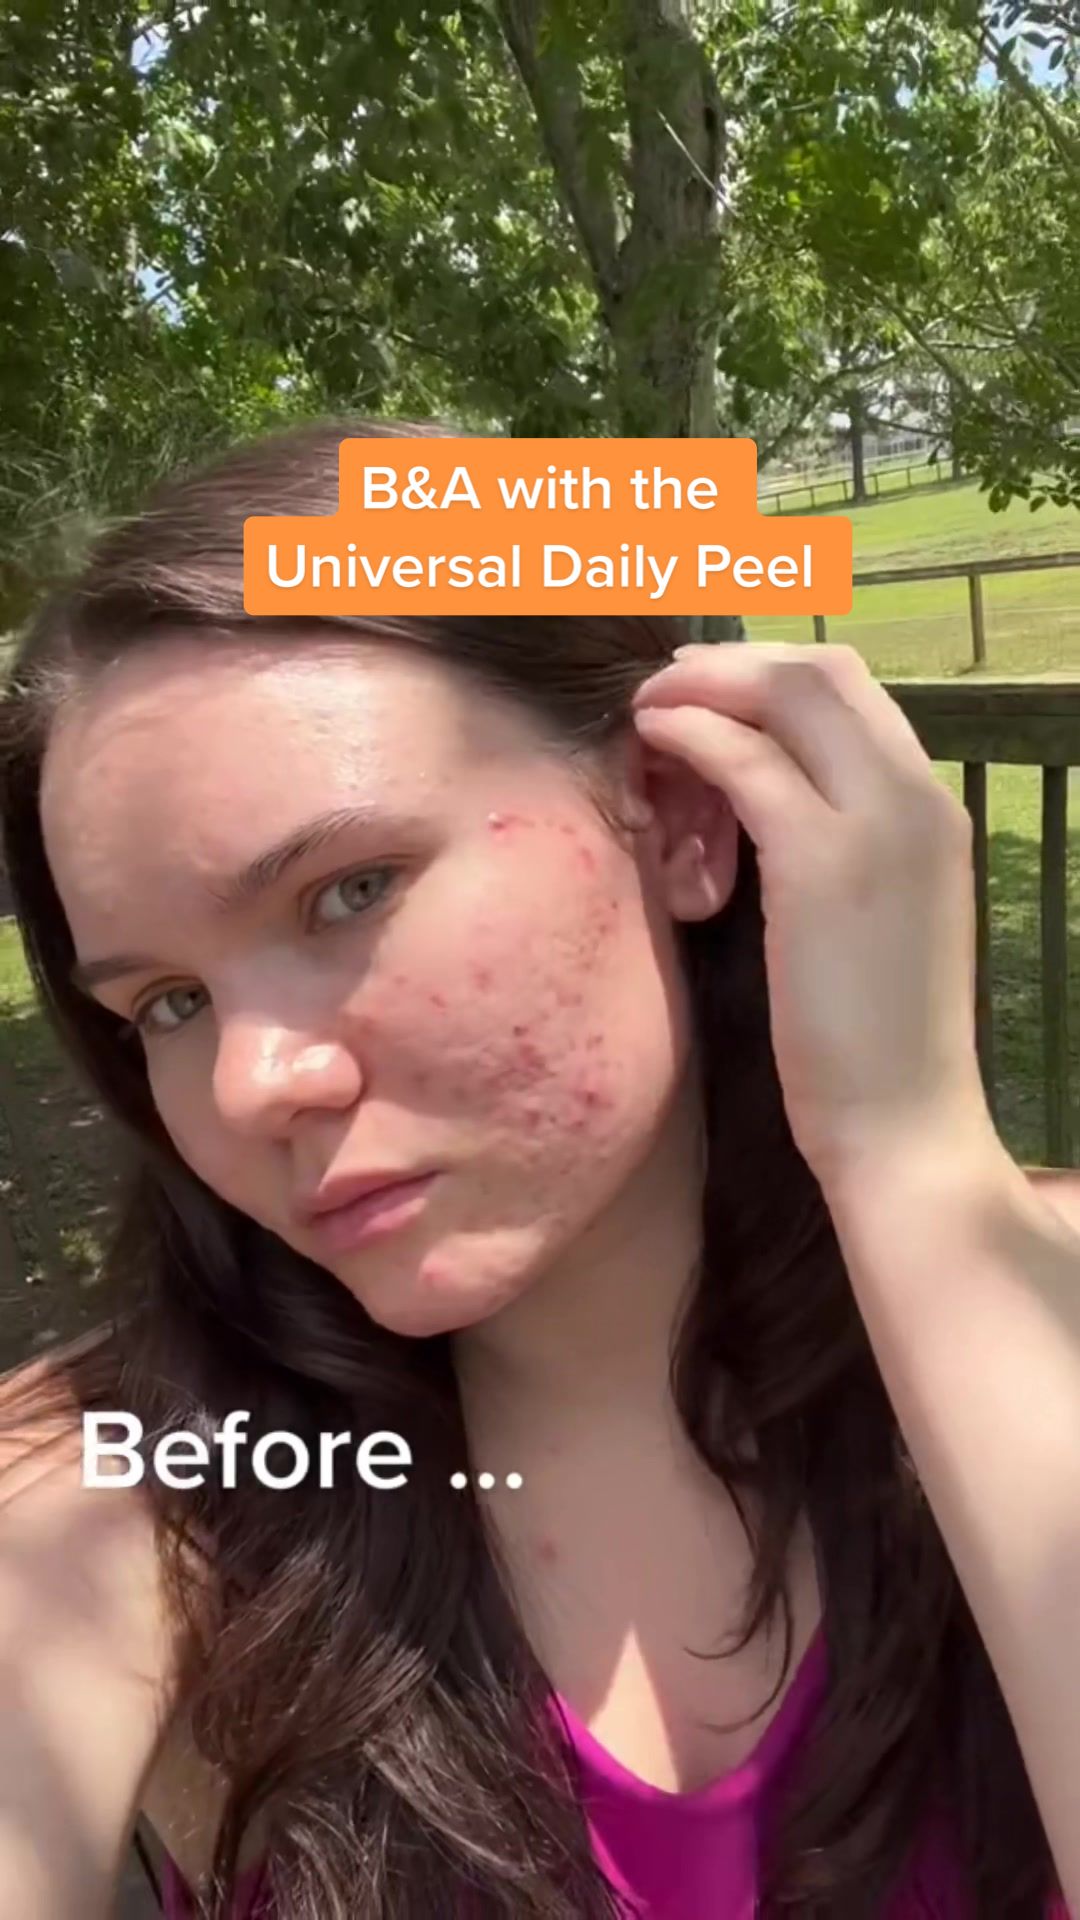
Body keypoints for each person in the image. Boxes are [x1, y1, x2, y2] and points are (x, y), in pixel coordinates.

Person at [0, 415, 1077, 1920]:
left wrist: (908, 1158)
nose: (249, 1086)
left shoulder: (1039, 1321)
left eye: (349, 891)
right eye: (168, 1005)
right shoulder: (130, 1481)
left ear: (679, 815)